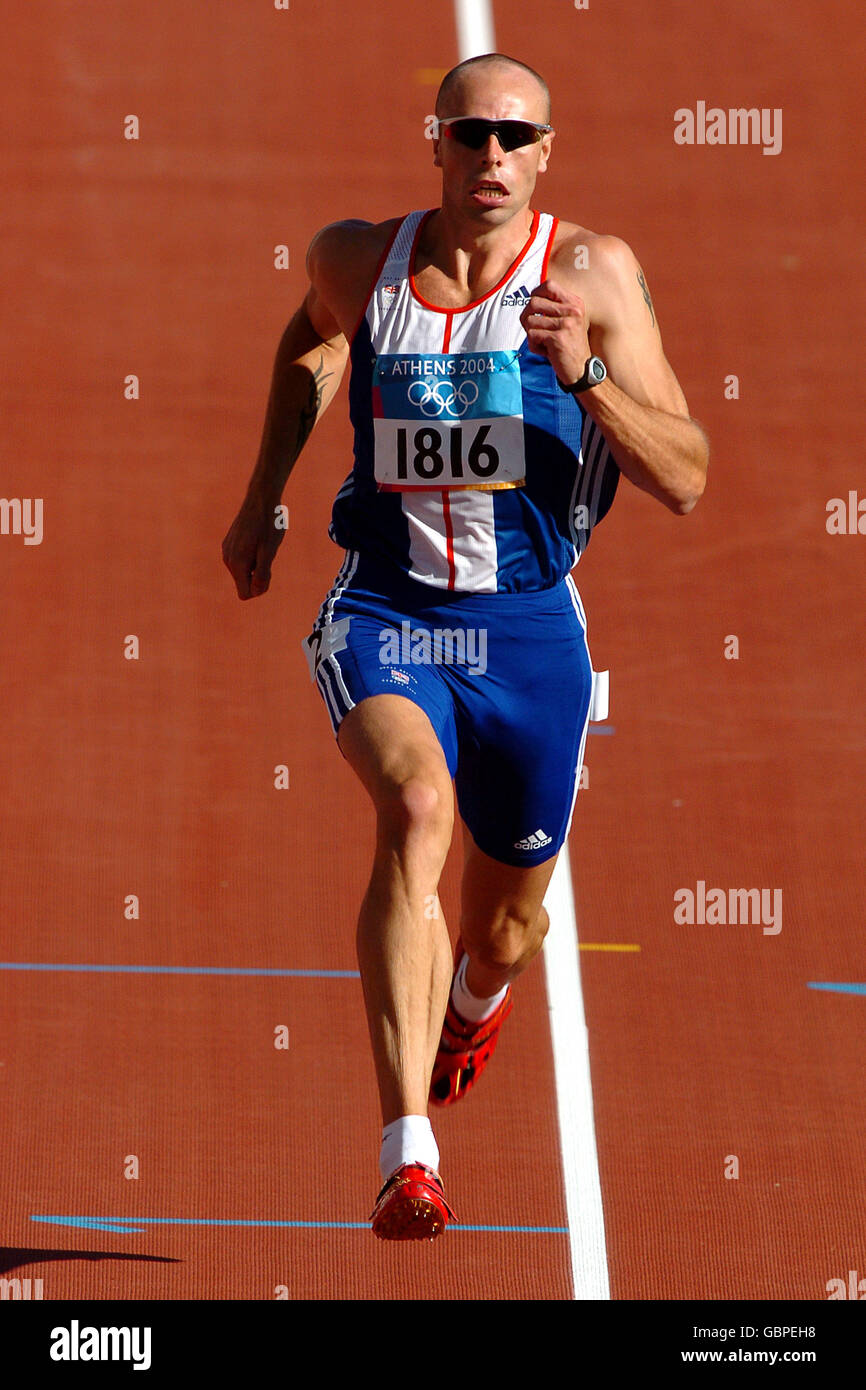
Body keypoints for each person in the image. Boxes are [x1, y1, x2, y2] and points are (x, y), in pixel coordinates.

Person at [222, 52, 709, 1242]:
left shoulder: (591, 277)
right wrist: (261, 497)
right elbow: (310, 339)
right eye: (468, 133)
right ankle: (407, 1155)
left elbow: (687, 476)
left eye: (513, 137)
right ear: (432, 140)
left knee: (501, 928)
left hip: (530, 632)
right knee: (414, 809)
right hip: (385, 611)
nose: (489, 157)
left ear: (546, 153)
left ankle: (475, 1002)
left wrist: (581, 373)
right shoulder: (359, 258)